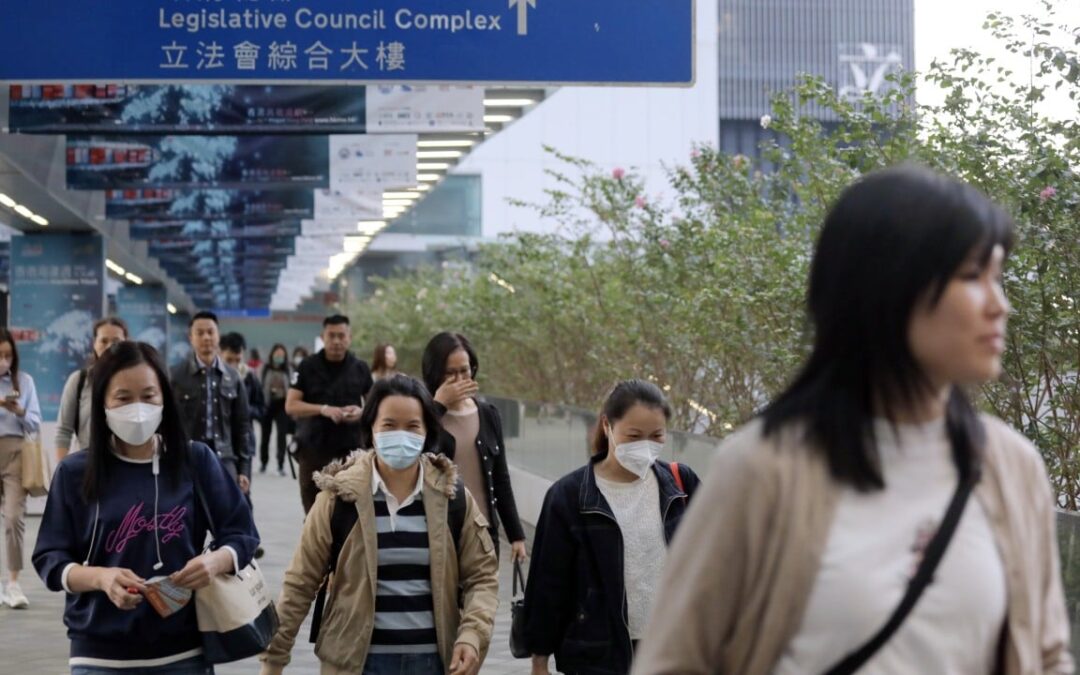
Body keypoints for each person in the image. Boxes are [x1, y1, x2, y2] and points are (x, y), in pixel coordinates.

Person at [632, 166, 1074, 674]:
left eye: (998, 277)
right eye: (973, 276)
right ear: (890, 284)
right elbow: (673, 662)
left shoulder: (1010, 466)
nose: (1001, 305)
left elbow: (1046, 653)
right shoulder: (761, 468)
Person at [32, 341, 259, 673]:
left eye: (149, 395)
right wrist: (100, 578)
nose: (137, 408)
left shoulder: (195, 461)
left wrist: (214, 561)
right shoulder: (74, 472)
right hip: (98, 654)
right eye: (123, 398)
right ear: (103, 403)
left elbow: (243, 535)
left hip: (183, 653)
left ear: (164, 397)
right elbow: (50, 560)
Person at [260, 374, 498, 675]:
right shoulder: (339, 498)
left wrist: (472, 634)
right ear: (371, 428)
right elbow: (300, 583)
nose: (401, 434)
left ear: (427, 431)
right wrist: (273, 660)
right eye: (389, 425)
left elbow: (482, 576)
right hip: (354, 663)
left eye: (412, 426)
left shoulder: (452, 498)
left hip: (434, 663)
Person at [523, 379, 700, 675]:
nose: (646, 445)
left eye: (656, 435)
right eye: (633, 435)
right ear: (607, 426)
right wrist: (539, 660)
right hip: (598, 656)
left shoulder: (681, 485)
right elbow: (548, 584)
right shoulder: (568, 496)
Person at [422, 332, 527, 563]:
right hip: (441, 536)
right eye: (450, 373)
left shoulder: (488, 414)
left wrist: (516, 535)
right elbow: (417, 457)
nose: (459, 379)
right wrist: (438, 406)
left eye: (464, 370)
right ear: (434, 372)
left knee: (484, 599)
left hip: (484, 535)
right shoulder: (422, 416)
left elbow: (501, 478)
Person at [285, 315, 373, 513]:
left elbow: (374, 406)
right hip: (314, 450)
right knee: (314, 511)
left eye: (341, 336)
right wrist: (322, 409)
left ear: (349, 338)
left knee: (350, 511)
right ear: (322, 337)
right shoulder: (307, 366)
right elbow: (291, 405)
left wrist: (361, 412)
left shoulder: (360, 368)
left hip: (351, 452)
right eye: (331, 336)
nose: (336, 341)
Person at [169, 311, 252, 497]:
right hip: (188, 457)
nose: (206, 337)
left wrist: (244, 469)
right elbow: (167, 422)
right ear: (191, 338)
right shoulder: (175, 376)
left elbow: (243, 425)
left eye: (210, 332)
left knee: (229, 518)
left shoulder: (232, 377)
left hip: (225, 458)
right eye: (200, 333)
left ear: (218, 336)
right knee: (190, 518)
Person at [0, 328, 42, 609]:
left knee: (14, 517)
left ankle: (13, 583)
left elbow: (36, 422)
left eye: (7, 355)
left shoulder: (24, 382)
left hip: (15, 452)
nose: (3, 360)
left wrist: (19, 411)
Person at [55, 317, 128, 461]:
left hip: (126, 465)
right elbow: (64, 431)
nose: (109, 346)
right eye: (104, 341)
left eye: (116, 341)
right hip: (88, 465)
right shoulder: (79, 381)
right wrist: (61, 471)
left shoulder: (136, 382)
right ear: (94, 343)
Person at [259, 344, 292, 476]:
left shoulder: (287, 369)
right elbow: (261, 385)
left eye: (281, 355)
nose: (279, 357)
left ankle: (280, 464)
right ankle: (264, 462)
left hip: (282, 405)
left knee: (281, 436)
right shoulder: (266, 368)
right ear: (272, 354)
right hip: (267, 404)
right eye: (277, 354)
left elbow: (291, 386)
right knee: (265, 435)